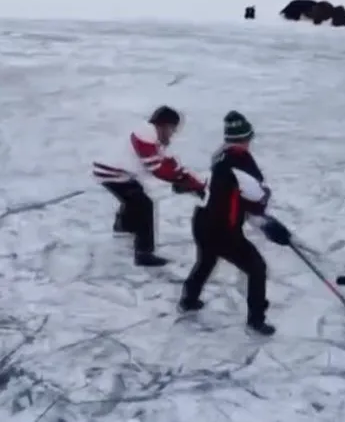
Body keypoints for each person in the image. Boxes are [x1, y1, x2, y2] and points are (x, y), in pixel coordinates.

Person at [179, 111, 292, 336]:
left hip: (202, 221)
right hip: (222, 229)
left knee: (206, 260)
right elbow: (257, 196)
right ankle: (256, 319)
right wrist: (267, 218)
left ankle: (189, 299)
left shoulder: (220, 155)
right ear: (245, 139)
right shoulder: (240, 164)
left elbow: (232, 194)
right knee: (257, 268)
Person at [92, 106, 206, 267]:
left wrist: (191, 182)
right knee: (143, 204)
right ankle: (143, 253)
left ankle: (124, 226)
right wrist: (182, 182)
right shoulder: (146, 134)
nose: (172, 133)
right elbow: (157, 169)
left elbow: (170, 165)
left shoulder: (153, 139)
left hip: (118, 172)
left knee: (135, 196)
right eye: (172, 129)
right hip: (111, 173)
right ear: (164, 125)